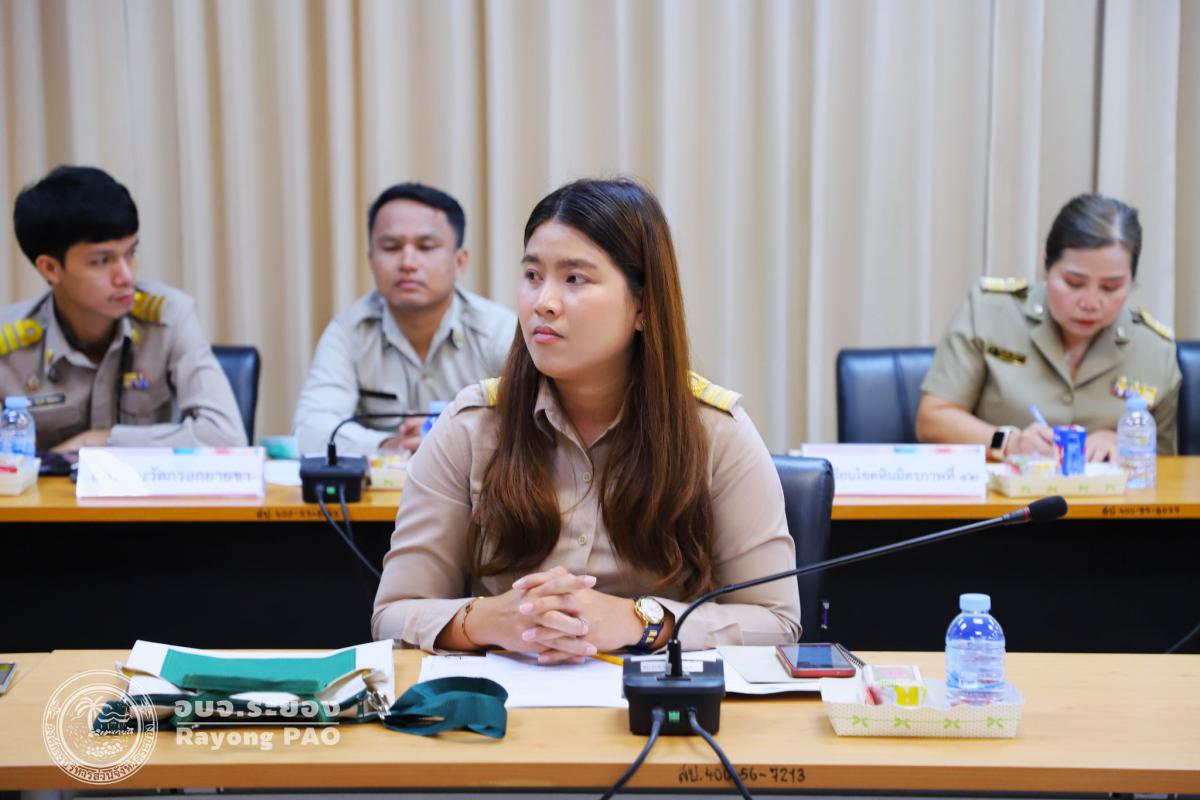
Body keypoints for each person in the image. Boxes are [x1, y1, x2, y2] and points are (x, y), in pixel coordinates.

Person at [372, 178, 800, 661]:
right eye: (532, 275)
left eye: (574, 279)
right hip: (505, 700)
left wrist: (640, 621)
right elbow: (393, 613)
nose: (543, 302)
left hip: (651, 699)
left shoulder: (716, 432)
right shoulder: (471, 426)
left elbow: (777, 622)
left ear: (643, 306)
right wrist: (487, 620)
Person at [917, 193, 1181, 461]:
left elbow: (1170, 464)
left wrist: (1126, 442)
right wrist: (1009, 443)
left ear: (1131, 282)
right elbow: (933, 419)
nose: (1090, 303)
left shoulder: (1155, 352)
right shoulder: (990, 313)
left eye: (1110, 287)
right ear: (1047, 267)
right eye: (1074, 283)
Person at [0, 165, 246, 452]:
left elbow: (227, 436)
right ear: (50, 268)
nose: (126, 276)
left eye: (130, 253)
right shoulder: (8, 344)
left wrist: (100, 440)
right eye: (102, 261)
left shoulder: (169, 318)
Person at [292, 183, 516, 455]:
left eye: (426, 247)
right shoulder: (350, 332)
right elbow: (311, 429)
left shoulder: (498, 331)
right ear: (371, 259)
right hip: (382, 480)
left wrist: (457, 437)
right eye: (391, 247)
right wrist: (390, 445)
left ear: (459, 261)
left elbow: (541, 418)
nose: (407, 263)